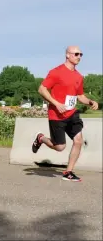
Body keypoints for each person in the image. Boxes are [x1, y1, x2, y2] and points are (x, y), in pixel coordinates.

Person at [33, 46, 98, 182]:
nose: (79, 56)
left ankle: (68, 172)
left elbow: (79, 95)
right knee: (60, 147)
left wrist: (90, 101)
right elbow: (42, 89)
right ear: (67, 55)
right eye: (76, 54)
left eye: (81, 54)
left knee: (78, 140)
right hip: (56, 115)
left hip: (72, 113)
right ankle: (41, 138)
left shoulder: (79, 76)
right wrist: (56, 103)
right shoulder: (56, 72)